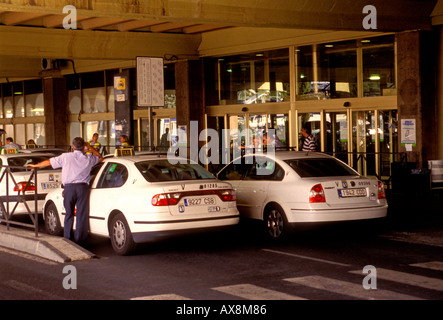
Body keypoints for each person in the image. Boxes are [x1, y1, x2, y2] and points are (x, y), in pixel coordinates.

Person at [26, 137, 103, 245]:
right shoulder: (88, 159)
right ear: (84, 147)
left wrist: (35, 166)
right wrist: (90, 147)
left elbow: (49, 162)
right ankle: (80, 240)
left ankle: (68, 238)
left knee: (69, 213)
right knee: (81, 214)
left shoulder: (65, 157)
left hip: (69, 188)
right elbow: (100, 158)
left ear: (72, 147)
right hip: (82, 189)